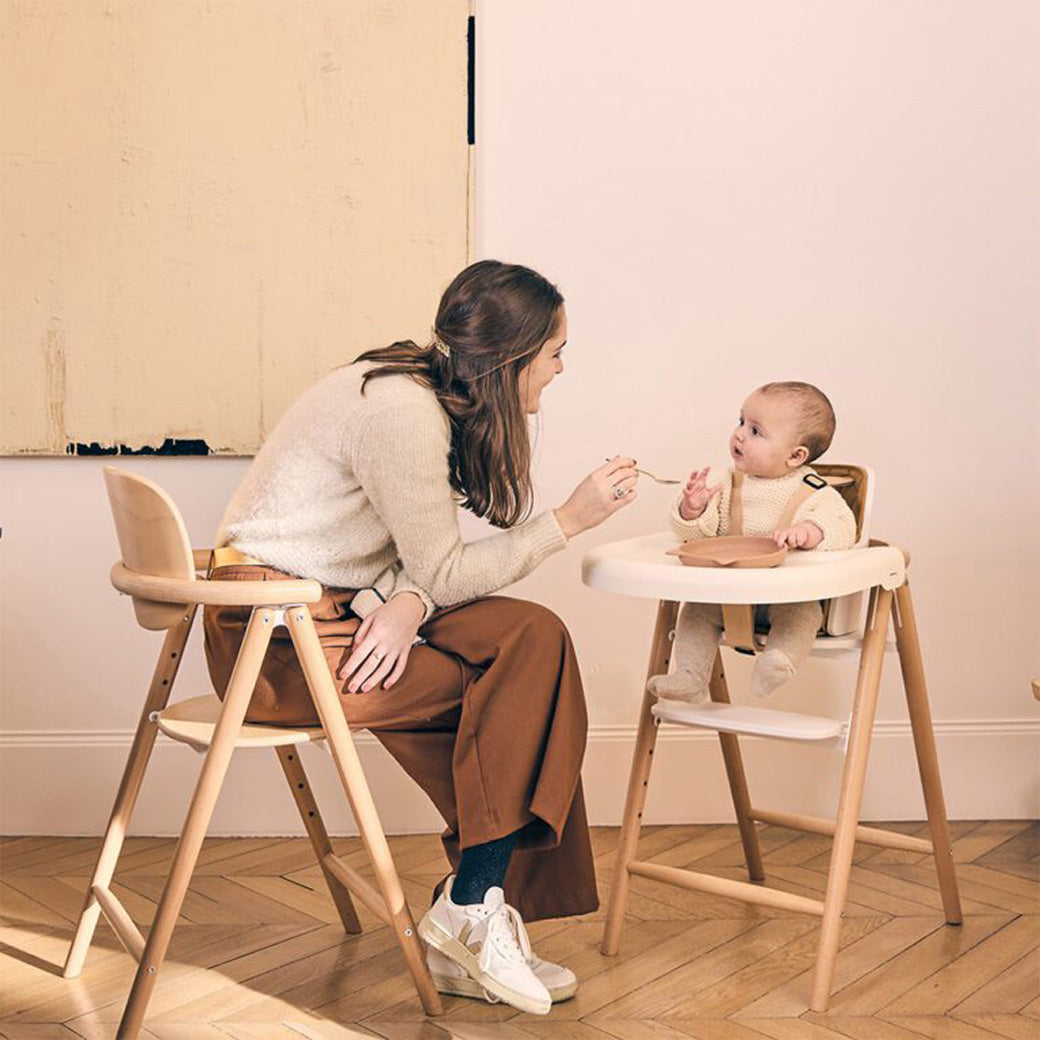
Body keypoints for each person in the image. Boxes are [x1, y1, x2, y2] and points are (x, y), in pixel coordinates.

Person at [203, 260, 639, 1015]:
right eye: (557, 351)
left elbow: (420, 561)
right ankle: (471, 904)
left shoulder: (414, 385)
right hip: (274, 644)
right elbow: (440, 564)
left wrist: (407, 600)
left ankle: (472, 904)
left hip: (337, 607)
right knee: (510, 687)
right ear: (512, 359)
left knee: (533, 636)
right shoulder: (403, 412)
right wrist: (567, 520)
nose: (562, 369)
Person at [649, 381, 857, 703]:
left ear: (796, 455)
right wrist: (693, 509)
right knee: (694, 611)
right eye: (741, 421)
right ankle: (690, 675)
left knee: (803, 615)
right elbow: (695, 538)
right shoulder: (725, 482)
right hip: (727, 595)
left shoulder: (815, 491)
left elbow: (844, 528)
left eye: (756, 431)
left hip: (786, 597)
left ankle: (776, 662)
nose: (740, 434)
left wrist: (811, 529)